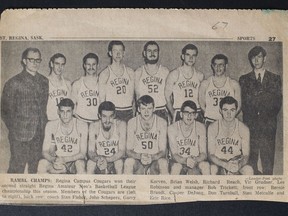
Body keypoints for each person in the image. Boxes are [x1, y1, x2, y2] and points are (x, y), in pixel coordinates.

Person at [1, 48, 49, 173]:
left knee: (34, 168)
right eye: (31, 60)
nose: (35, 63)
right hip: (19, 135)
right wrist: (16, 127)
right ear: (24, 61)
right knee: (17, 167)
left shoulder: (44, 81)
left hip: (39, 133)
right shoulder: (13, 82)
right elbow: (5, 110)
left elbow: (43, 106)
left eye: (38, 60)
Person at [239, 46, 282, 175]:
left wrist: (264, 118)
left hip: (268, 125)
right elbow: (244, 104)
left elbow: (277, 103)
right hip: (250, 125)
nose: (256, 60)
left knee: (267, 160)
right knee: (251, 160)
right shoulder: (244, 79)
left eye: (259, 57)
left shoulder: (275, 79)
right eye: (253, 57)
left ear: (265, 59)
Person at [37, 98, 88, 174]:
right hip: (57, 160)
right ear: (58, 111)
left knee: (80, 165)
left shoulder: (82, 125)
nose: (65, 115)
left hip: (74, 160)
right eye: (62, 111)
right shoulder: (51, 125)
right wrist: (53, 160)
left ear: (73, 111)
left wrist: (65, 159)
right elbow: (44, 151)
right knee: (41, 164)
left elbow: (83, 153)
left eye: (68, 111)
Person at [208, 96, 253, 175]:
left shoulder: (243, 128)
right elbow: (211, 154)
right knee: (212, 169)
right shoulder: (213, 127)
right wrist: (225, 165)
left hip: (236, 161)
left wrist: (239, 165)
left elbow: (246, 155)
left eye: (232, 110)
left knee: (249, 170)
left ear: (236, 111)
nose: (229, 114)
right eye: (225, 110)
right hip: (219, 162)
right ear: (220, 111)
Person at [124, 95, 169, 175]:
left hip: (154, 160)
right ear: (138, 109)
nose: (146, 112)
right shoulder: (132, 122)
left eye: (149, 109)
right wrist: (140, 156)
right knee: (128, 162)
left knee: (163, 163)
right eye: (143, 109)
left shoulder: (161, 122)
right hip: (138, 160)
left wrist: (152, 157)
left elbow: (163, 151)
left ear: (154, 109)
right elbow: (128, 150)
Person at [168, 100, 210, 175]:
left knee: (205, 166)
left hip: (195, 161)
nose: (189, 116)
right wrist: (185, 160)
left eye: (192, 113)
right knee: (176, 167)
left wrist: (195, 159)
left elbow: (204, 153)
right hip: (179, 161)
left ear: (196, 115)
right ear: (181, 114)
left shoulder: (201, 127)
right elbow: (174, 154)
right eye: (186, 113)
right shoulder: (172, 128)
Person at [165, 44, 204, 123]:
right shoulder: (174, 74)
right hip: (180, 111)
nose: (191, 58)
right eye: (188, 55)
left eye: (193, 55)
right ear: (183, 56)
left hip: (196, 112)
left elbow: (203, 98)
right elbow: (167, 97)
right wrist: (174, 113)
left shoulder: (200, 76)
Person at [199, 54, 241, 126]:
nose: (218, 68)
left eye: (221, 65)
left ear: (226, 66)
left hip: (227, 122)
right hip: (210, 121)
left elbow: (238, 106)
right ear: (212, 66)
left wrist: (228, 118)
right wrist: (211, 115)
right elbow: (201, 104)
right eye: (215, 65)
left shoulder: (233, 84)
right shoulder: (205, 83)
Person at [99, 41, 135, 122]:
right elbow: (101, 100)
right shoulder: (105, 73)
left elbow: (133, 96)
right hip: (113, 112)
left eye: (120, 51)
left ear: (124, 53)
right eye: (115, 51)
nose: (118, 54)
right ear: (110, 53)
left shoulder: (130, 72)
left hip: (128, 111)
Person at [87, 101, 126, 174]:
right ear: (99, 116)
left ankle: (120, 184)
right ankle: (89, 184)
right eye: (104, 116)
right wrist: (99, 159)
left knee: (119, 163)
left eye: (110, 116)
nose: (107, 120)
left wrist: (107, 160)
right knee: (90, 164)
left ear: (114, 116)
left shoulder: (121, 125)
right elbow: (91, 151)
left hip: (115, 158)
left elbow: (122, 151)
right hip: (99, 159)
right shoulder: (94, 126)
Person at [135, 41, 170, 121]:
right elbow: (137, 96)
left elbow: (169, 97)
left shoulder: (165, 71)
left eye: (155, 51)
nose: (152, 53)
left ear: (158, 53)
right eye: (149, 51)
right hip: (145, 111)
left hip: (161, 110)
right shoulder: (138, 72)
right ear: (144, 53)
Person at [71, 53, 100, 123]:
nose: (91, 67)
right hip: (81, 121)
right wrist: (79, 120)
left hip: (98, 122)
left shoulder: (102, 83)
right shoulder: (77, 84)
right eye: (88, 64)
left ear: (97, 65)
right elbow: (71, 106)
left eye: (94, 64)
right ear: (84, 65)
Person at [47, 53, 71, 121]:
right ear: (51, 64)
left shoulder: (67, 83)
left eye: (62, 64)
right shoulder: (44, 82)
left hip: (64, 122)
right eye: (57, 64)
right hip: (50, 121)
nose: (60, 67)